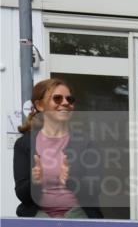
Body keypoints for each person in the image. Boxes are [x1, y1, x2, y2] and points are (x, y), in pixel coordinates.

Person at [13, 78, 103, 219]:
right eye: (57, 99)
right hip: (38, 217)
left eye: (69, 99)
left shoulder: (87, 143)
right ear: (40, 105)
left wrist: (70, 179)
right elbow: (22, 195)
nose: (65, 103)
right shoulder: (24, 144)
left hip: (78, 217)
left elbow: (94, 191)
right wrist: (36, 183)